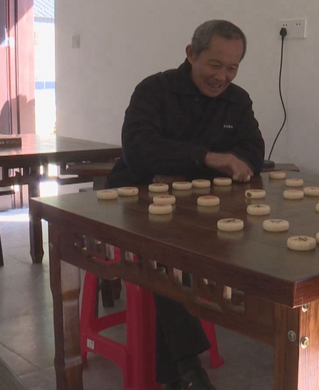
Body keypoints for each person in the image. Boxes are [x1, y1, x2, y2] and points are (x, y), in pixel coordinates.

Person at [106, 20, 265, 390]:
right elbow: (139, 151)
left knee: (243, 245)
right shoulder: (154, 90)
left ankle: (179, 371)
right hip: (137, 202)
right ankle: (187, 369)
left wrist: (182, 168)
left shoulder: (238, 100)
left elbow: (252, 154)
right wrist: (208, 159)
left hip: (199, 205)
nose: (222, 77)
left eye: (232, 68)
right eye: (214, 64)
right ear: (192, 54)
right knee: (166, 253)